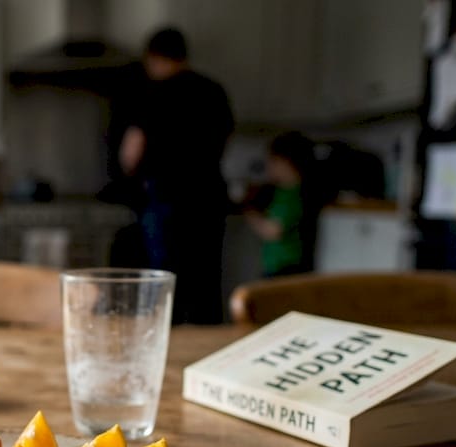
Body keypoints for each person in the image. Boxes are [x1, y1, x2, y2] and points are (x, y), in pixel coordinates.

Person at [110, 27, 234, 324]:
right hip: (208, 198)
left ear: (153, 58)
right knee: (206, 280)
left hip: (166, 200)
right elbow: (225, 141)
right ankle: (208, 342)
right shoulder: (213, 91)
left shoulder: (153, 93)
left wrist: (127, 174)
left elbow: (131, 151)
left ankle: (170, 340)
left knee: (166, 285)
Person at [244, 132, 322, 277]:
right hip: (278, 264)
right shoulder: (282, 192)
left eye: (273, 161)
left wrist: (251, 214)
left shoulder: (295, 196)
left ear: (286, 162)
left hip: (287, 267)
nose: (269, 166)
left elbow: (273, 231)